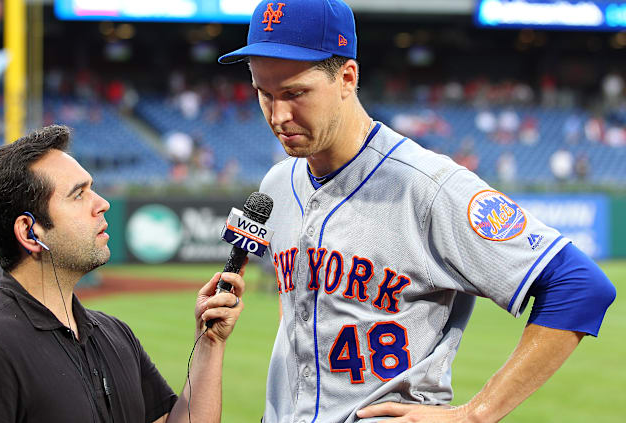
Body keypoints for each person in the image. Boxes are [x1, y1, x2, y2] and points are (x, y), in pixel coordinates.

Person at [218, 1, 616, 422]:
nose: (278, 115)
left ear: (347, 78)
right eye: (265, 94)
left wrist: (475, 414)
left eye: (295, 93)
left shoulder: (428, 185)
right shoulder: (277, 184)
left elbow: (580, 286)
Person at [0, 125, 246, 422]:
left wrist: (210, 344)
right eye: (78, 194)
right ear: (29, 232)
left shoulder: (114, 334)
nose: (102, 204)